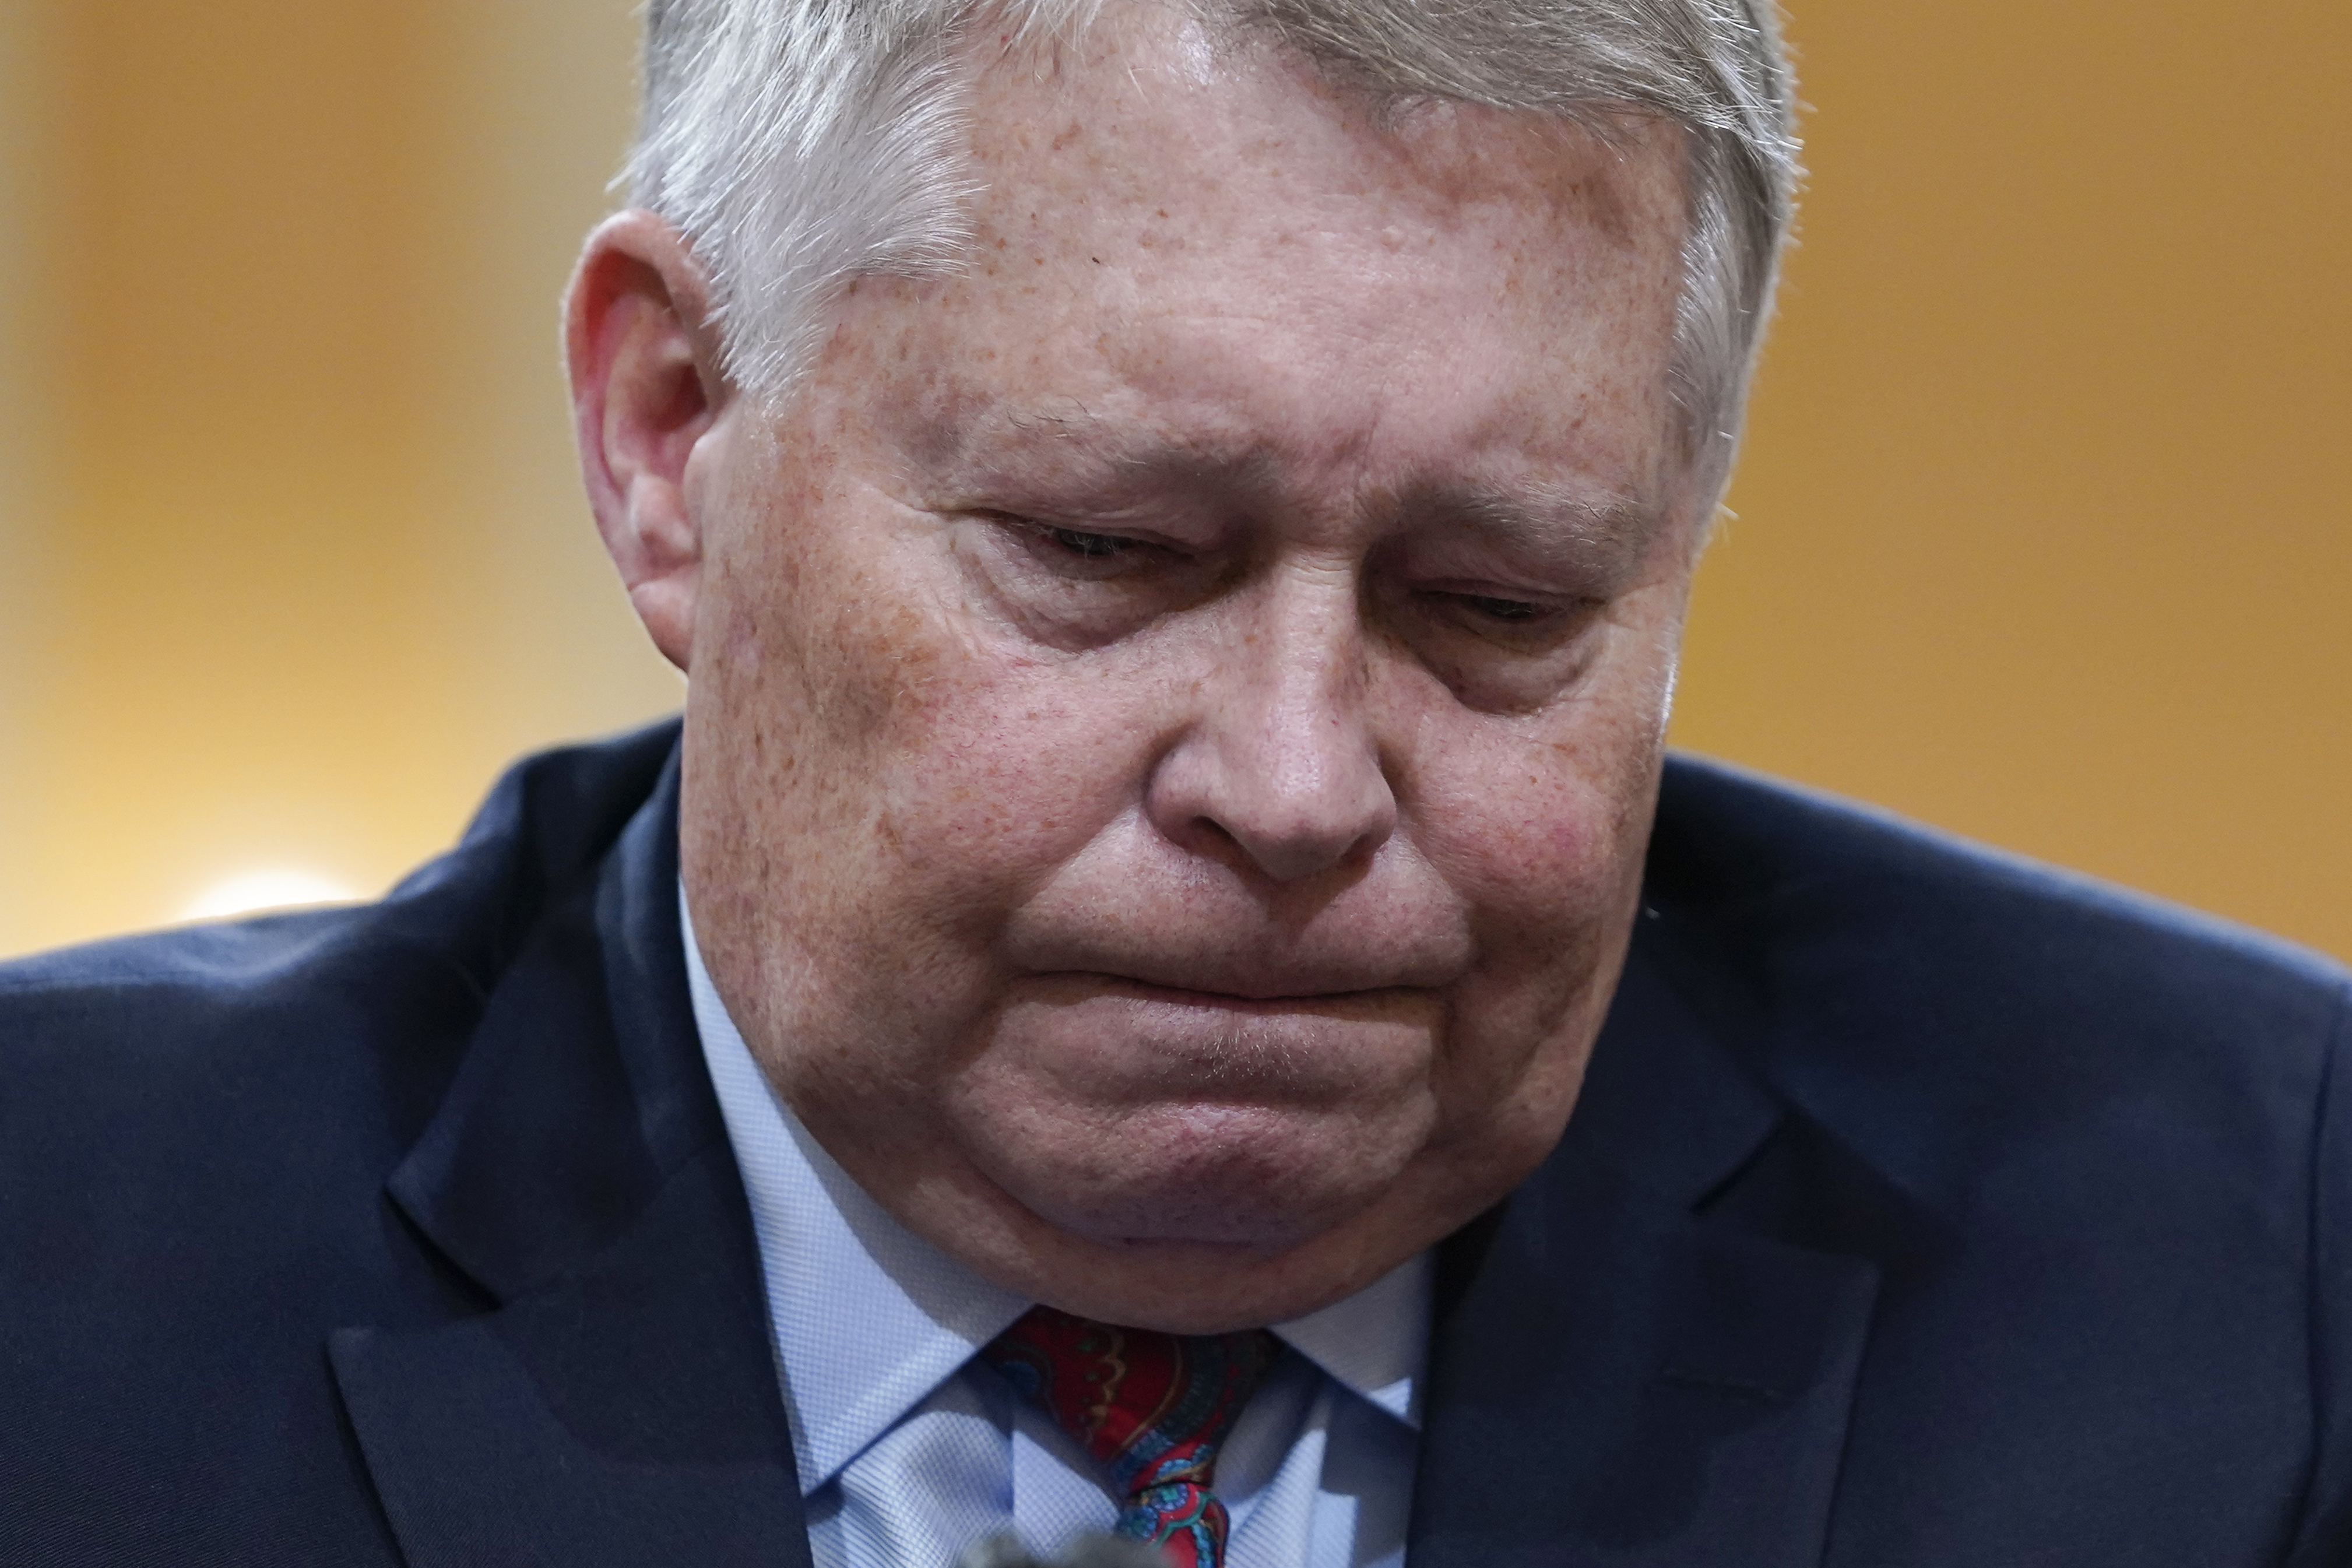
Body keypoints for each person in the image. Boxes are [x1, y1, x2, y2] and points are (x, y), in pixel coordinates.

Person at [2, 0, 2347, 1564]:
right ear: (670, 436)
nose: (1299, 779)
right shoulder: (61, 1271)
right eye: (1109, 551)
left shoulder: (2243, 1275)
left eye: (1498, 601)